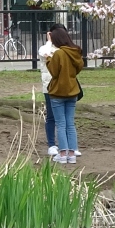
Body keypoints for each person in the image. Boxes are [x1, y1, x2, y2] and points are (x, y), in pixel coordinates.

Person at [45, 27, 84, 164]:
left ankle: (62, 154)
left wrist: (48, 59)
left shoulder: (59, 54)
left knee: (61, 124)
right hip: (72, 91)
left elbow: (54, 72)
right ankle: (72, 154)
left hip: (58, 93)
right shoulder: (75, 52)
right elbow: (78, 68)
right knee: (70, 123)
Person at [39, 23, 65, 158]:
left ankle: (66, 145)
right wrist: (49, 41)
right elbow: (46, 54)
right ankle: (51, 144)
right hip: (49, 86)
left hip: (64, 86)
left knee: (65, 116)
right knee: (51, 116)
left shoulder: (65, 48)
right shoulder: (44, 48)